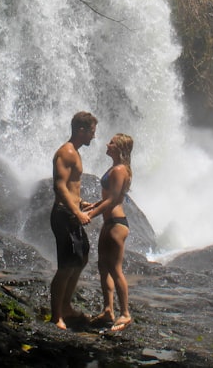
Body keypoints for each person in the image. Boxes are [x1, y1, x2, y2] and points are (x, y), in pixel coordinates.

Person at [49, 110, 97, 329]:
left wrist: (81, 203)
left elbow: (71, 187)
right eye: (91, 132)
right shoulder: (66, 152)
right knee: (65, 266)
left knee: (81, 257)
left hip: (72, 212)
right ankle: (57, 315)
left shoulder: (75, 152)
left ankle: (67, 305)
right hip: (63, 215)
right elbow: (59, 186)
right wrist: (76, 212)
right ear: (81, 130)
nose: (93, 137)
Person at [85, 133, 134, 332]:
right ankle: (108, 310)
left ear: (119, 148)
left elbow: (113, 200)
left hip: (116, 223)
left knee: (115, 269)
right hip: (109, 221)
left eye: (112, 142)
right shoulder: (116, 168)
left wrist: (90, 215)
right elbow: (108, 197)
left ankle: (125, 314)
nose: (108, 143)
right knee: (103, 267)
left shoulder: (120, 169)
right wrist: (92, 206)